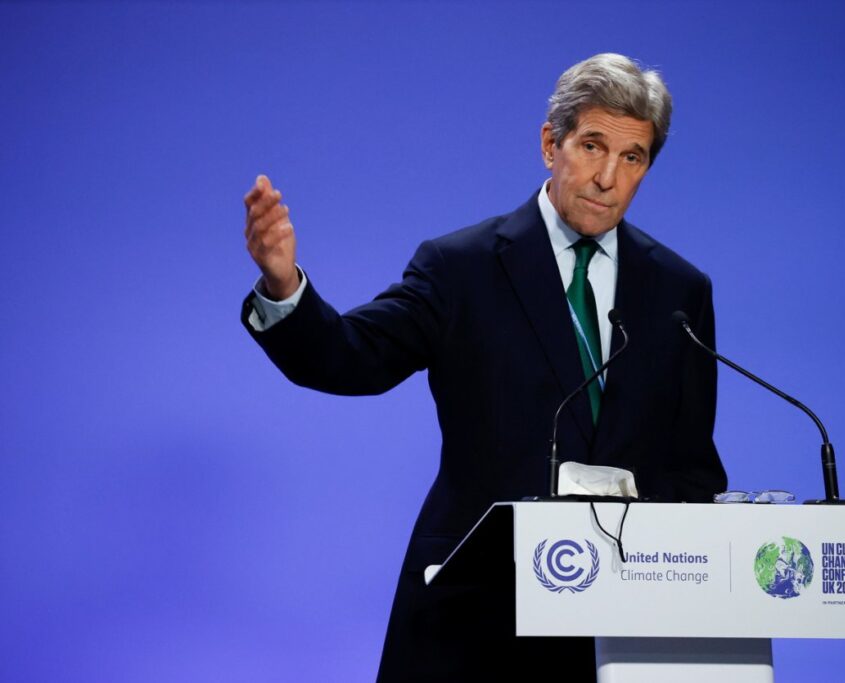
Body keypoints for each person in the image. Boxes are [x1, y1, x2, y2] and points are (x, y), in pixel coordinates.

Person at [241, 53, 727, 682]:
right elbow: (349, 357)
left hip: (617, 624)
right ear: (550, 144)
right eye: (592, 146)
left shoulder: (678, 291)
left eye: (632, 158)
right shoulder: (461, 267)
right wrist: (284, 287)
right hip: (476, 613)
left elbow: (691, 464)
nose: (608, 177)